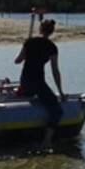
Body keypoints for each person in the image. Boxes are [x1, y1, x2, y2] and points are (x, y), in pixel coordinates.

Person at [14, 18, 65, 149]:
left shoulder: (29, 42)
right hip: (38, 82)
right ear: (52, 32)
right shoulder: (52, 47)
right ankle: (47, 141)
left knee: (31, 91)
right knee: (57, 111)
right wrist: (60, 91)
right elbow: (55, 71)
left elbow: (17, 61)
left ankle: (21, 91)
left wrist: (25, 48)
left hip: (25, 80)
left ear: (40, 29)